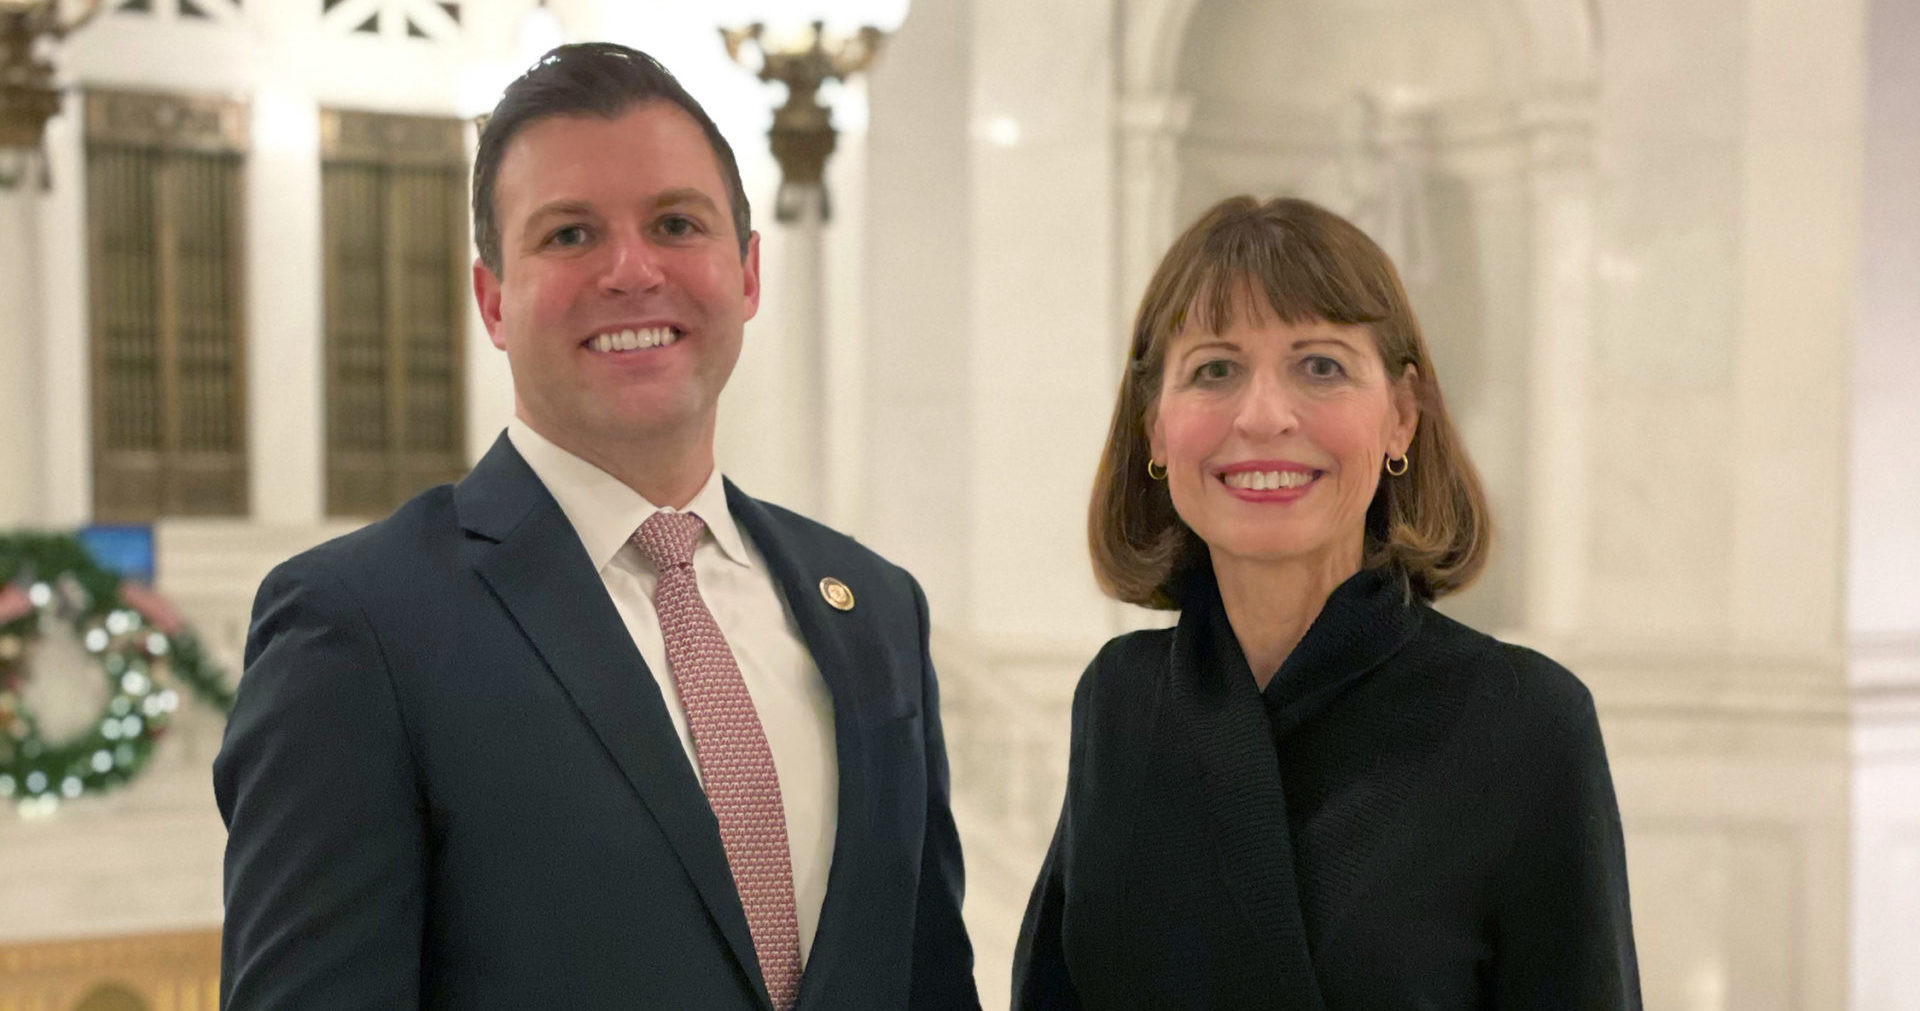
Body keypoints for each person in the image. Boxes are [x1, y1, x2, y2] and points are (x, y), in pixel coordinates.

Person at [215, 43, 977, 1010]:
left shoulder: (873, 605)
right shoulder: (360, 627)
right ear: (494, 300)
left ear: (746, 273)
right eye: (569, 235)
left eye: (675, 222)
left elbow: (927, 980)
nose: (631, 270)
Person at [1011, 196, 1641, 1009]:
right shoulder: (1120, 699)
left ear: (1402, 417)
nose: (1264, 415)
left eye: (1320, 366)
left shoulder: (1523, 719)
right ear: (1156, 429)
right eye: (1214, 369)